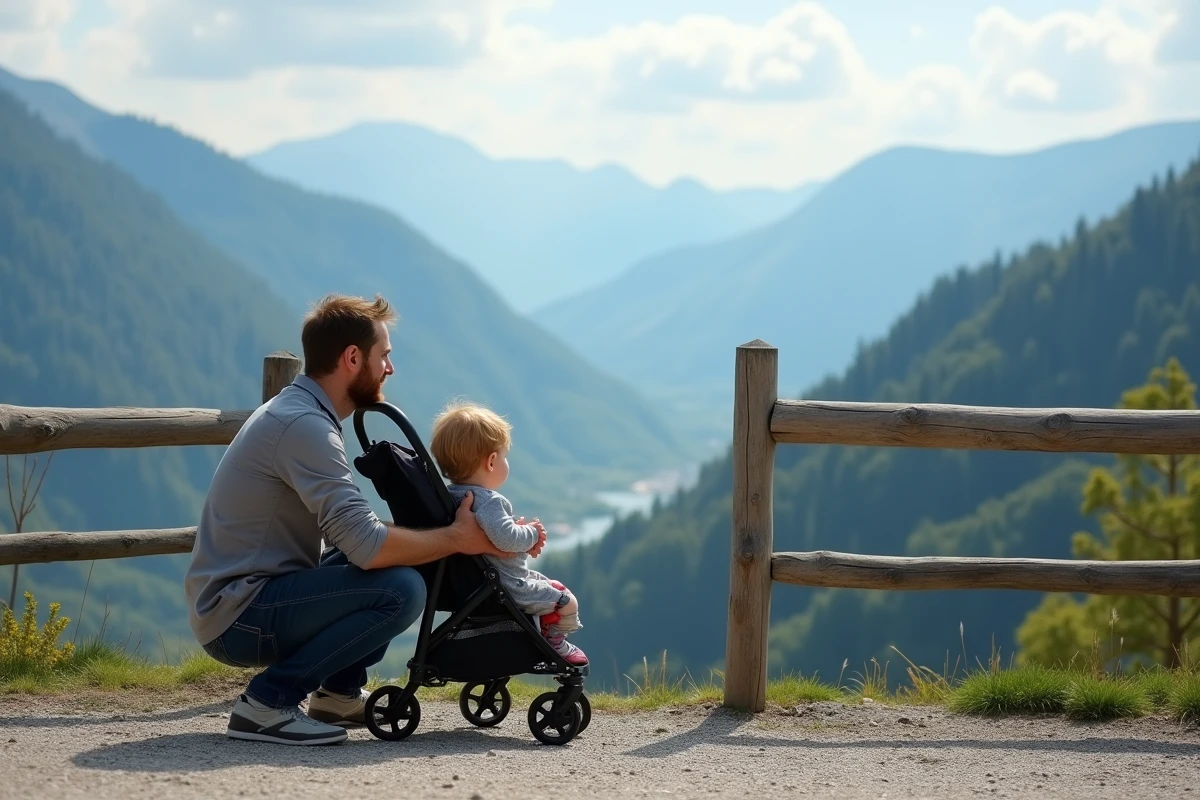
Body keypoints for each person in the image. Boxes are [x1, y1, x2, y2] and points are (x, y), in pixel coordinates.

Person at [184, 293, 502, 746]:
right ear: (353, 358)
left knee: (404, 563)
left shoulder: (303, 412)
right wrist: (456, 538)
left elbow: (359, 539)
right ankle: (267, 703)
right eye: (384, 356)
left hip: (247, 599)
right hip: (238, 616)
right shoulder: (304, 427)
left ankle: (337, 693)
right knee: (401, 590)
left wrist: (436, 540)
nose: (389, 368)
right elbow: (368, 547)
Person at [429, 401, 588, 666]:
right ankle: (553, 641)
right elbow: (507, 539)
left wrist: (515, 532)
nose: (505, 462)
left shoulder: (447, 497)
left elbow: (496, 535)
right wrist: (531, 534)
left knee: (552, 586)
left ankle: (545, 631)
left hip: (479, 582)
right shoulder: (490, 501)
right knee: (566, 601)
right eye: (504, 456)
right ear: (491, 461)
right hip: (508, 584)